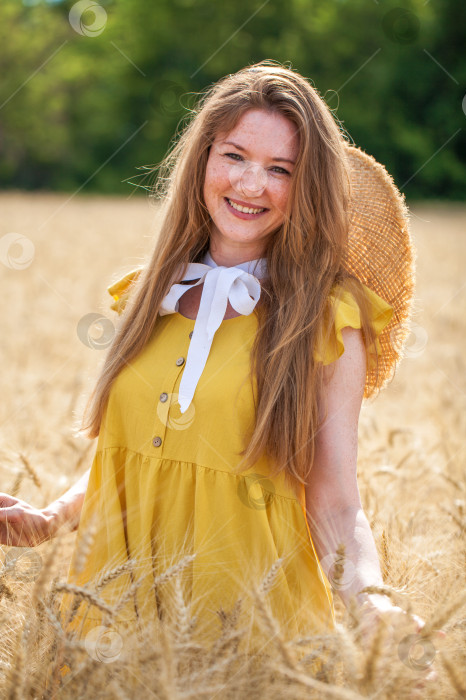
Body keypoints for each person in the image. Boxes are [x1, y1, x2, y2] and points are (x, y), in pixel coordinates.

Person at [0, 61, 437, 669]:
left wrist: (371, 602)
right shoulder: (146, 295)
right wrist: (49, 519)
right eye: (234, 155)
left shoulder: (326, 320)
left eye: (280, 169)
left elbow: (336, 502)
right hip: (108, 642)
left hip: (251, 647)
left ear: (304, 187)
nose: (251, 184)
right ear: (203, 160)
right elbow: (131, 458)